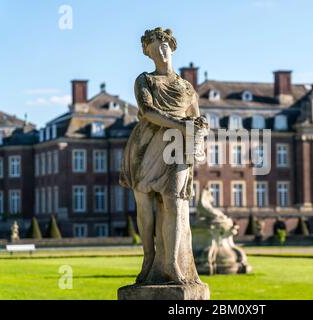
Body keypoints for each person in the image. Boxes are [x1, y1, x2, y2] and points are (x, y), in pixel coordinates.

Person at [120, 27, 207, 285]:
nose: (161, 50)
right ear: (147, 52)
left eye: (165, 45)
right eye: (154, 46)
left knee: (175, 204)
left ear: (172, 47)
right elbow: (147, 111)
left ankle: (171, 264)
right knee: (144, 206)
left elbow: (196, 116)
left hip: (176, 147)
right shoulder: (144, 80)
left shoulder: (186, 87)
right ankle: (148, 259)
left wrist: (199, 125)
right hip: (146, 145)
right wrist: (180, 124)